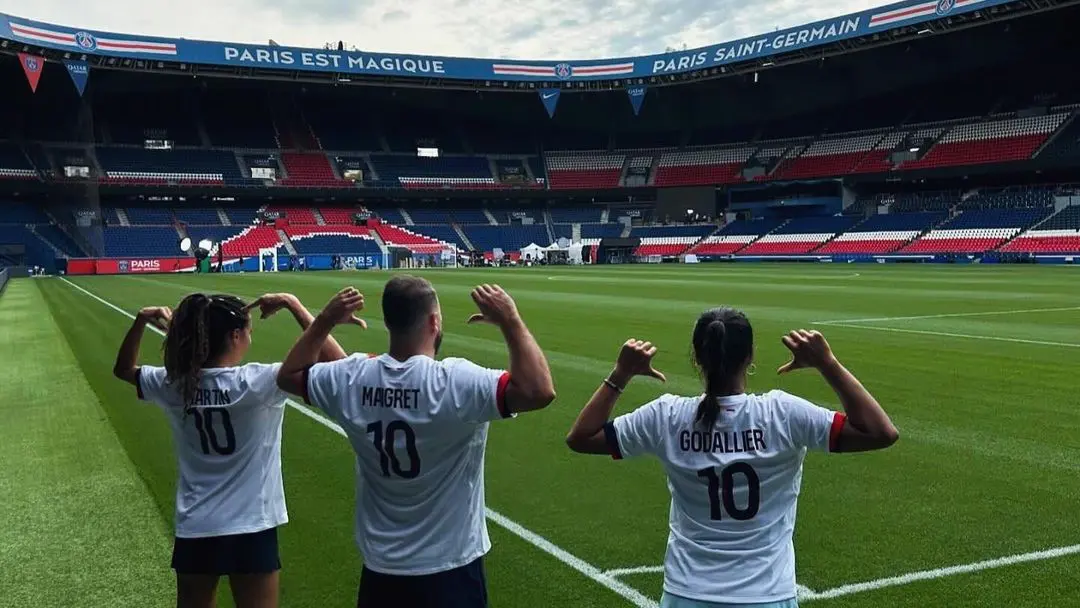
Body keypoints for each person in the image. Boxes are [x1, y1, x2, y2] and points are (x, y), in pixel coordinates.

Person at [565, 307, 899, 608]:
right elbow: (880, 432)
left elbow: (581, 437)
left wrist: (620, 374)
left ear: (697, 358)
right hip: (767, 595)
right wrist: (828, 364)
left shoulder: (666, 415)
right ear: (750, 357)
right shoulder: (782, 413)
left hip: (688, 593)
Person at [276, 278, 556, 608]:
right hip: (450, 569)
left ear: (390, 321)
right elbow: (539, 391)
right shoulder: (455, 382)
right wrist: (510, 319)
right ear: (434, 321)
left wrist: (323, 321)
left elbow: (289, 376)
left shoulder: (353, 377)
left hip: (382, 571)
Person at [112, 292, 356, 608]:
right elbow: (344, 369)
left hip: (197, 524)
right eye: (249, 330)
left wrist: (141, 321)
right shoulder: (258, 382)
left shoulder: (175, 383)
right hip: (252, 524)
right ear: (235, 335)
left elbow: (123, 369)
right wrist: (294, 304)